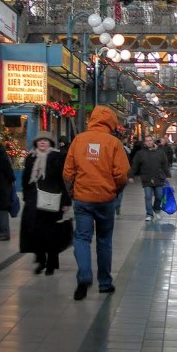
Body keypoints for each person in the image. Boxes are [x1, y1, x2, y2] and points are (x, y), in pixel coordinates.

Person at [62, 105, 130, 300]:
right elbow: (122, 174)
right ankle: (105, 283)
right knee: (104, 240)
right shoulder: (114, 143)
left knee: (82, 238)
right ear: (111, 122)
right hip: (105, 199)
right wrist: (115, 191)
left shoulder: (79, 140)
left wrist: (73, 191)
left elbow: (68, 172)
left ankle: (84, 275)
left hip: (83, 199)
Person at [20, 133, 70, 275]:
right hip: (34, 201)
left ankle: (51, 264)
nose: (42, 143)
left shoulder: (57, 157)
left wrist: (66, 201)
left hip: (52, 200)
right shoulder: (31, 157)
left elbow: (62, 180)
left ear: (50, 143)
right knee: (35, 232)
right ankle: (41, 260)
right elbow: (25, 178)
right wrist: (26, 195)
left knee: (51, 233)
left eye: (45, 141)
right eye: (40, 141)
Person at [130, 135, 171, 221]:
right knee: (148, 196)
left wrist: (167, 175)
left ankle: (156, 209)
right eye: (147, 141)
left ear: (153, 141)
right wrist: (131, 176)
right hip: (146, 177)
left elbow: (164, 164)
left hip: (158, 177)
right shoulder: (140, 153)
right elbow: (135, 165)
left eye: (150, 140)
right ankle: (149, 214)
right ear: (144, 143)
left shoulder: (160, 152)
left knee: (159, 196)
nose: (149, 142)